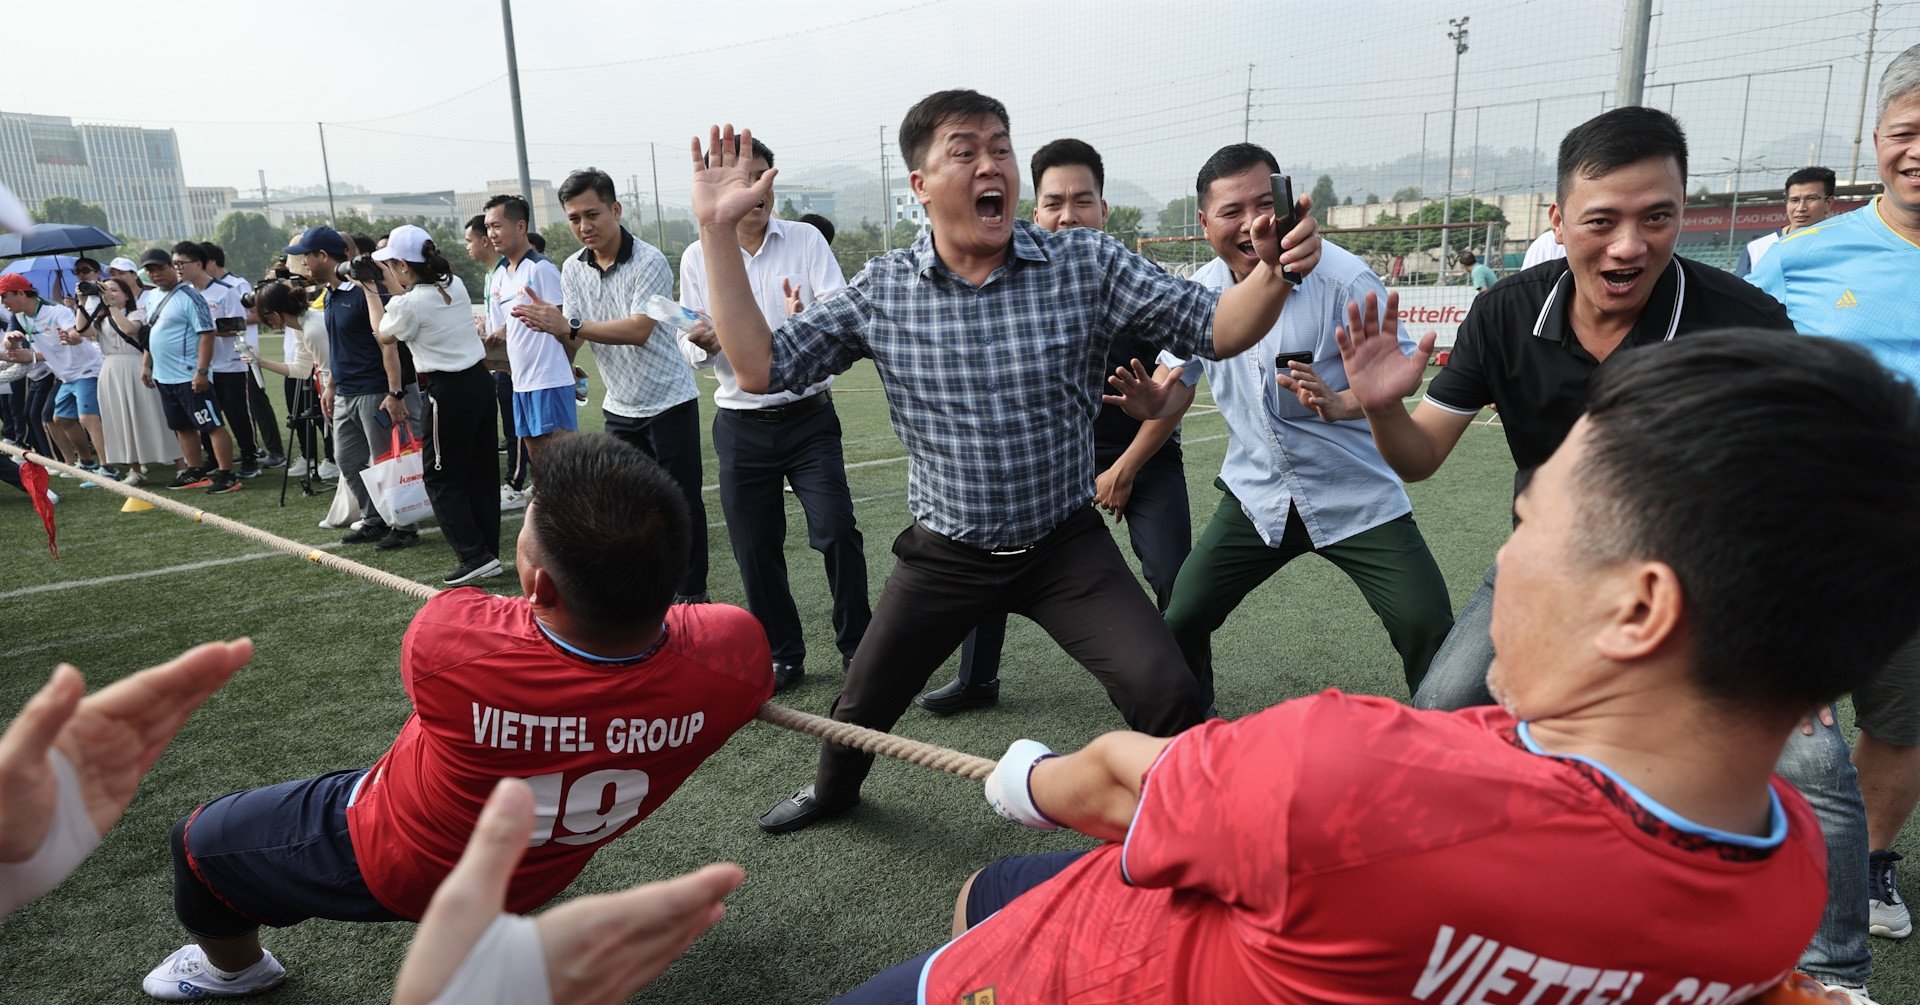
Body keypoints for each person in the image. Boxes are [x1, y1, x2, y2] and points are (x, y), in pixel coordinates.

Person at [838, 329, 1920, 1004]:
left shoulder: (1346, 780)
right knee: (999, 888)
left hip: (1082, 968)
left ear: (1638, 609)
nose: (1502, 553)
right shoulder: (1780, 894)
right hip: (1310, 918)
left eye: (1529, 520)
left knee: (992, 909)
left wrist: (1019, 776)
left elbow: (1119, 782)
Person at [1343, 106, 1881, 1001]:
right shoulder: (1506, 313)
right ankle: (1457, 907)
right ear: (1558, 220)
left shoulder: (1743, 321)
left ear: (1682, 212)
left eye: (1657, 217)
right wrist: (1380, 406)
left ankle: (1833, 974)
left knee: (1814, 757)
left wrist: (1798, 642)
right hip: (1550, 574)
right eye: (1602, 219)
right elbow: (1420, 459)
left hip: (1707, 583)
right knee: (1442, 706)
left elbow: (1796, 487)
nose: (1629, 245)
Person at [688, 90, 1322, 835]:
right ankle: (833, 791)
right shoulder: (885, 288)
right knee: (861, 704)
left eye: (1000, 147)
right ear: (920, 185)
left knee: (1165, 686)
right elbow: (759, 366)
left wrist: (1276, 272)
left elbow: (1216, 327)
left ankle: (1197, 819)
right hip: (946, 551)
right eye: (964, 151)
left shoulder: (1082, 261)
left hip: (1062, 543)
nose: (991, 164)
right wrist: (715, 229)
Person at [140, 433, 773, 1002]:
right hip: (540, 867)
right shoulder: (733, 656)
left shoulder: (449, 641)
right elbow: (685, 631)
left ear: (541, 586)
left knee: (198, 844)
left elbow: (500, 627)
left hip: (399, 854)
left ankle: (238, 971)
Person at [1124, 142, 1454, 705]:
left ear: (1287, 203)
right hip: (1258, 494)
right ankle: (1188, 739)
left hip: (1354, 491)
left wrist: (1344, 402)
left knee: (1427, 624)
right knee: (1180, 616)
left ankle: (1448, 754)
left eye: (1264, 204)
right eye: (1232, 211)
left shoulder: (1345, 280)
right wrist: (1155, 404)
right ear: (1204, 223)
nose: (1253, 224)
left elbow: (1396, 378)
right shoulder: (1200, 291)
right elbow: (1176, 382)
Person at [918, 138, 1192, 714]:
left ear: (1104, 209)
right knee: (990, 535)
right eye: (1054, 204)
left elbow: (1179, 387)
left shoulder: (1135, 278)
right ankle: (977, 679)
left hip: (1140, 453)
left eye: (1083, 201)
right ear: (1034, 212)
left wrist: (1123, 469)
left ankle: (1192, 694)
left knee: (1173, 573)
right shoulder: (1012, 281)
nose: (1069, 216)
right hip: (1054, 463)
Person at [1750, 42, 1920, 959]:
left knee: (1904, 720)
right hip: (1814, 540)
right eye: (1907, 131)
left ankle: (1869, 861)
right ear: (1877, 138)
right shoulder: (1803, 256)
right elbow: (1740, 377)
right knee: (1779, 721)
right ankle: (1756, 869)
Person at [678, 146, 869, 690]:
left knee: (836, 532)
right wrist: (705, 341)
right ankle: (783, 652)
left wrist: (805, 324)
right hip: (740, 425)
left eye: (760, 177)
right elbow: (688, 338)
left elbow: (838, 311)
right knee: (755, 546)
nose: (753, 190)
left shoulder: (805, 240)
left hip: (808, 418)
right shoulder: (698, 257)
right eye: (741, 178)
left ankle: (859, 646)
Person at [511, 168, 712, 605]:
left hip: (669, 401)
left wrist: (569, 324)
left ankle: (691, 597)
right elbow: (575, 334)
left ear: (615, 210)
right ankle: (643, 594)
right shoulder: (571, 267)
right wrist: (561, 349)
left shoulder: (650, 260)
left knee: (681, 506)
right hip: (620, 408)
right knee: (626, 510)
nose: (584, 226)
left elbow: (639, 329)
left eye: (592, 214)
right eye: (573, 218)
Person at [368, 224, 502, 586]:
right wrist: (392, 286)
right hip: (479, 383)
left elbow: (384, 333)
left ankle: (473, 556)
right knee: (481, 471)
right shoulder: (452, 284)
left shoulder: (406, 304)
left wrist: (370, 291)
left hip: (448, 391)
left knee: (441, 477)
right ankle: (487, 550)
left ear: (404, 267)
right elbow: (413, 296)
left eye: (392, 265)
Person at [293, 225, 425, 550]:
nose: (303, 264)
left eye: (306, 257)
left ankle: (404, 526)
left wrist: (394, 392)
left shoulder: (368, 290)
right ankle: (374, 519)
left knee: (385, 461)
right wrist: (330, 386)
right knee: (348, 460)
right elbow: (340, 346)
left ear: (324, 255)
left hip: (374, 391)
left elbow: (388, 344)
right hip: (345, 393)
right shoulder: (332, 295)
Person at [135, 248, 240, 493]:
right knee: (181, 426)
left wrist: (202, 372)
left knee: (211, 424)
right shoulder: (151, 298)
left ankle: (227, 474)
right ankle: (194, 470)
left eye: (160, 268)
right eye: (150, 270)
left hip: (188, 374)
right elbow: (152, 333)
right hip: (164, 376)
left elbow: (207, 334)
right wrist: (146, 364)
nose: (155, 274)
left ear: (174, 268)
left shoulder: (192, 297)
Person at [484, 195, 574, 462]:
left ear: (521, 227)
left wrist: (567, 368)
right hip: (520, 384)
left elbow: (566, 327)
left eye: (497, 226)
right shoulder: (501, 275)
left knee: (563, 465)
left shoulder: (541, 269)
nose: (491, 234)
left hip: (549, 381)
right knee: (541, 467)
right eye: (488, 227)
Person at [0, 274, 109, 481]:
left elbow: (75, 333)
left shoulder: (55, 310)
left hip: (86, 370)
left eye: (4, 297)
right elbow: (9, 343)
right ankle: (85, 463)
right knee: (57, 418)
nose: (2, 303)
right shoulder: (20, 315)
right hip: (64, 376)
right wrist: (12, 342)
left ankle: (108, 467)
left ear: (20, 293)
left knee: (88, 418)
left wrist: (72, 337)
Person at [171, 243, 264, 480]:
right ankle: (213, 458)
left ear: (199, 264)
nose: (178, 269)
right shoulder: (184, 294)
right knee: (206, 415)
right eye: (175, 264)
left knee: (237, 414)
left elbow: (238, 325)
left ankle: (249, 457)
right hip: (201, 366)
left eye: (182, 264)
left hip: (229, 363)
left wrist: (205, 329)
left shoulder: (225, 291)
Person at [75, 275, 174, 486]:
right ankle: (135, 469)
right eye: (105, 289)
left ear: (126, 295)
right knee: (121, 420)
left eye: (114, 290)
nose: (108, 293)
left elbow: (129, 329)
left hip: (136, 367)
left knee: (152, 414)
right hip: (111, 370)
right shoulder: (101, 319)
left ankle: (180, 463)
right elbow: (82, 330)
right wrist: (82, 301)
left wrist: (110, 306)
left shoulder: (138, 313)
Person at [202, 242, 284, 471]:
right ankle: (253, 450)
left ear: (210, 262)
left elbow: (257, 315)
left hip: (242, 354)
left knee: (256, 403)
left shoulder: (236, 285)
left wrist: (221, 323)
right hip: (217, 360)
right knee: (232, 408)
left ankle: (275, 451)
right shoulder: (202, 289)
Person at [245, 282, 338, 483]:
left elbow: (332, 371)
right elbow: (301, 370)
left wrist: (328, 399)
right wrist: (259, 362)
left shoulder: (312, 328)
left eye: (265, 315)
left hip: (343, 394)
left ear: (276, 314)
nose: (264, 320)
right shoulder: (299, 325)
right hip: (333, 392)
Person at [467, 213, 529, 511]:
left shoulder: (511, 270)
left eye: (469, 240)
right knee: (513, 422)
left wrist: (504, 328)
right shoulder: (494, 274)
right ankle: (525, 483)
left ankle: (517, 483)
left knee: (519, 425)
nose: (467, 247)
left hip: (518, 363)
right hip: (501, 362)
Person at [1738, 166, 1838, 276]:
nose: (1800, 208)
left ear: (1828, 203)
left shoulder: (1841, 246)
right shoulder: (1758, 248)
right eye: (1794, 200)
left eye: (1811, 199)